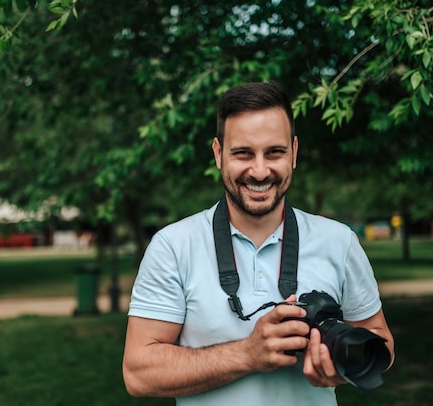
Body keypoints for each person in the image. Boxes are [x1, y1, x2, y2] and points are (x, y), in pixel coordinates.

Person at [122, 81, 395, 405]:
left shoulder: (339, 241)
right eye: (243, 153)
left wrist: (341, 366)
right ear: (218, 154)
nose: (260, 170)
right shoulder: (173, 246)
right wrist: (247, 354)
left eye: (275, 152)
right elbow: (138, 374)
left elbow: (382, 343)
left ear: (294, 153)